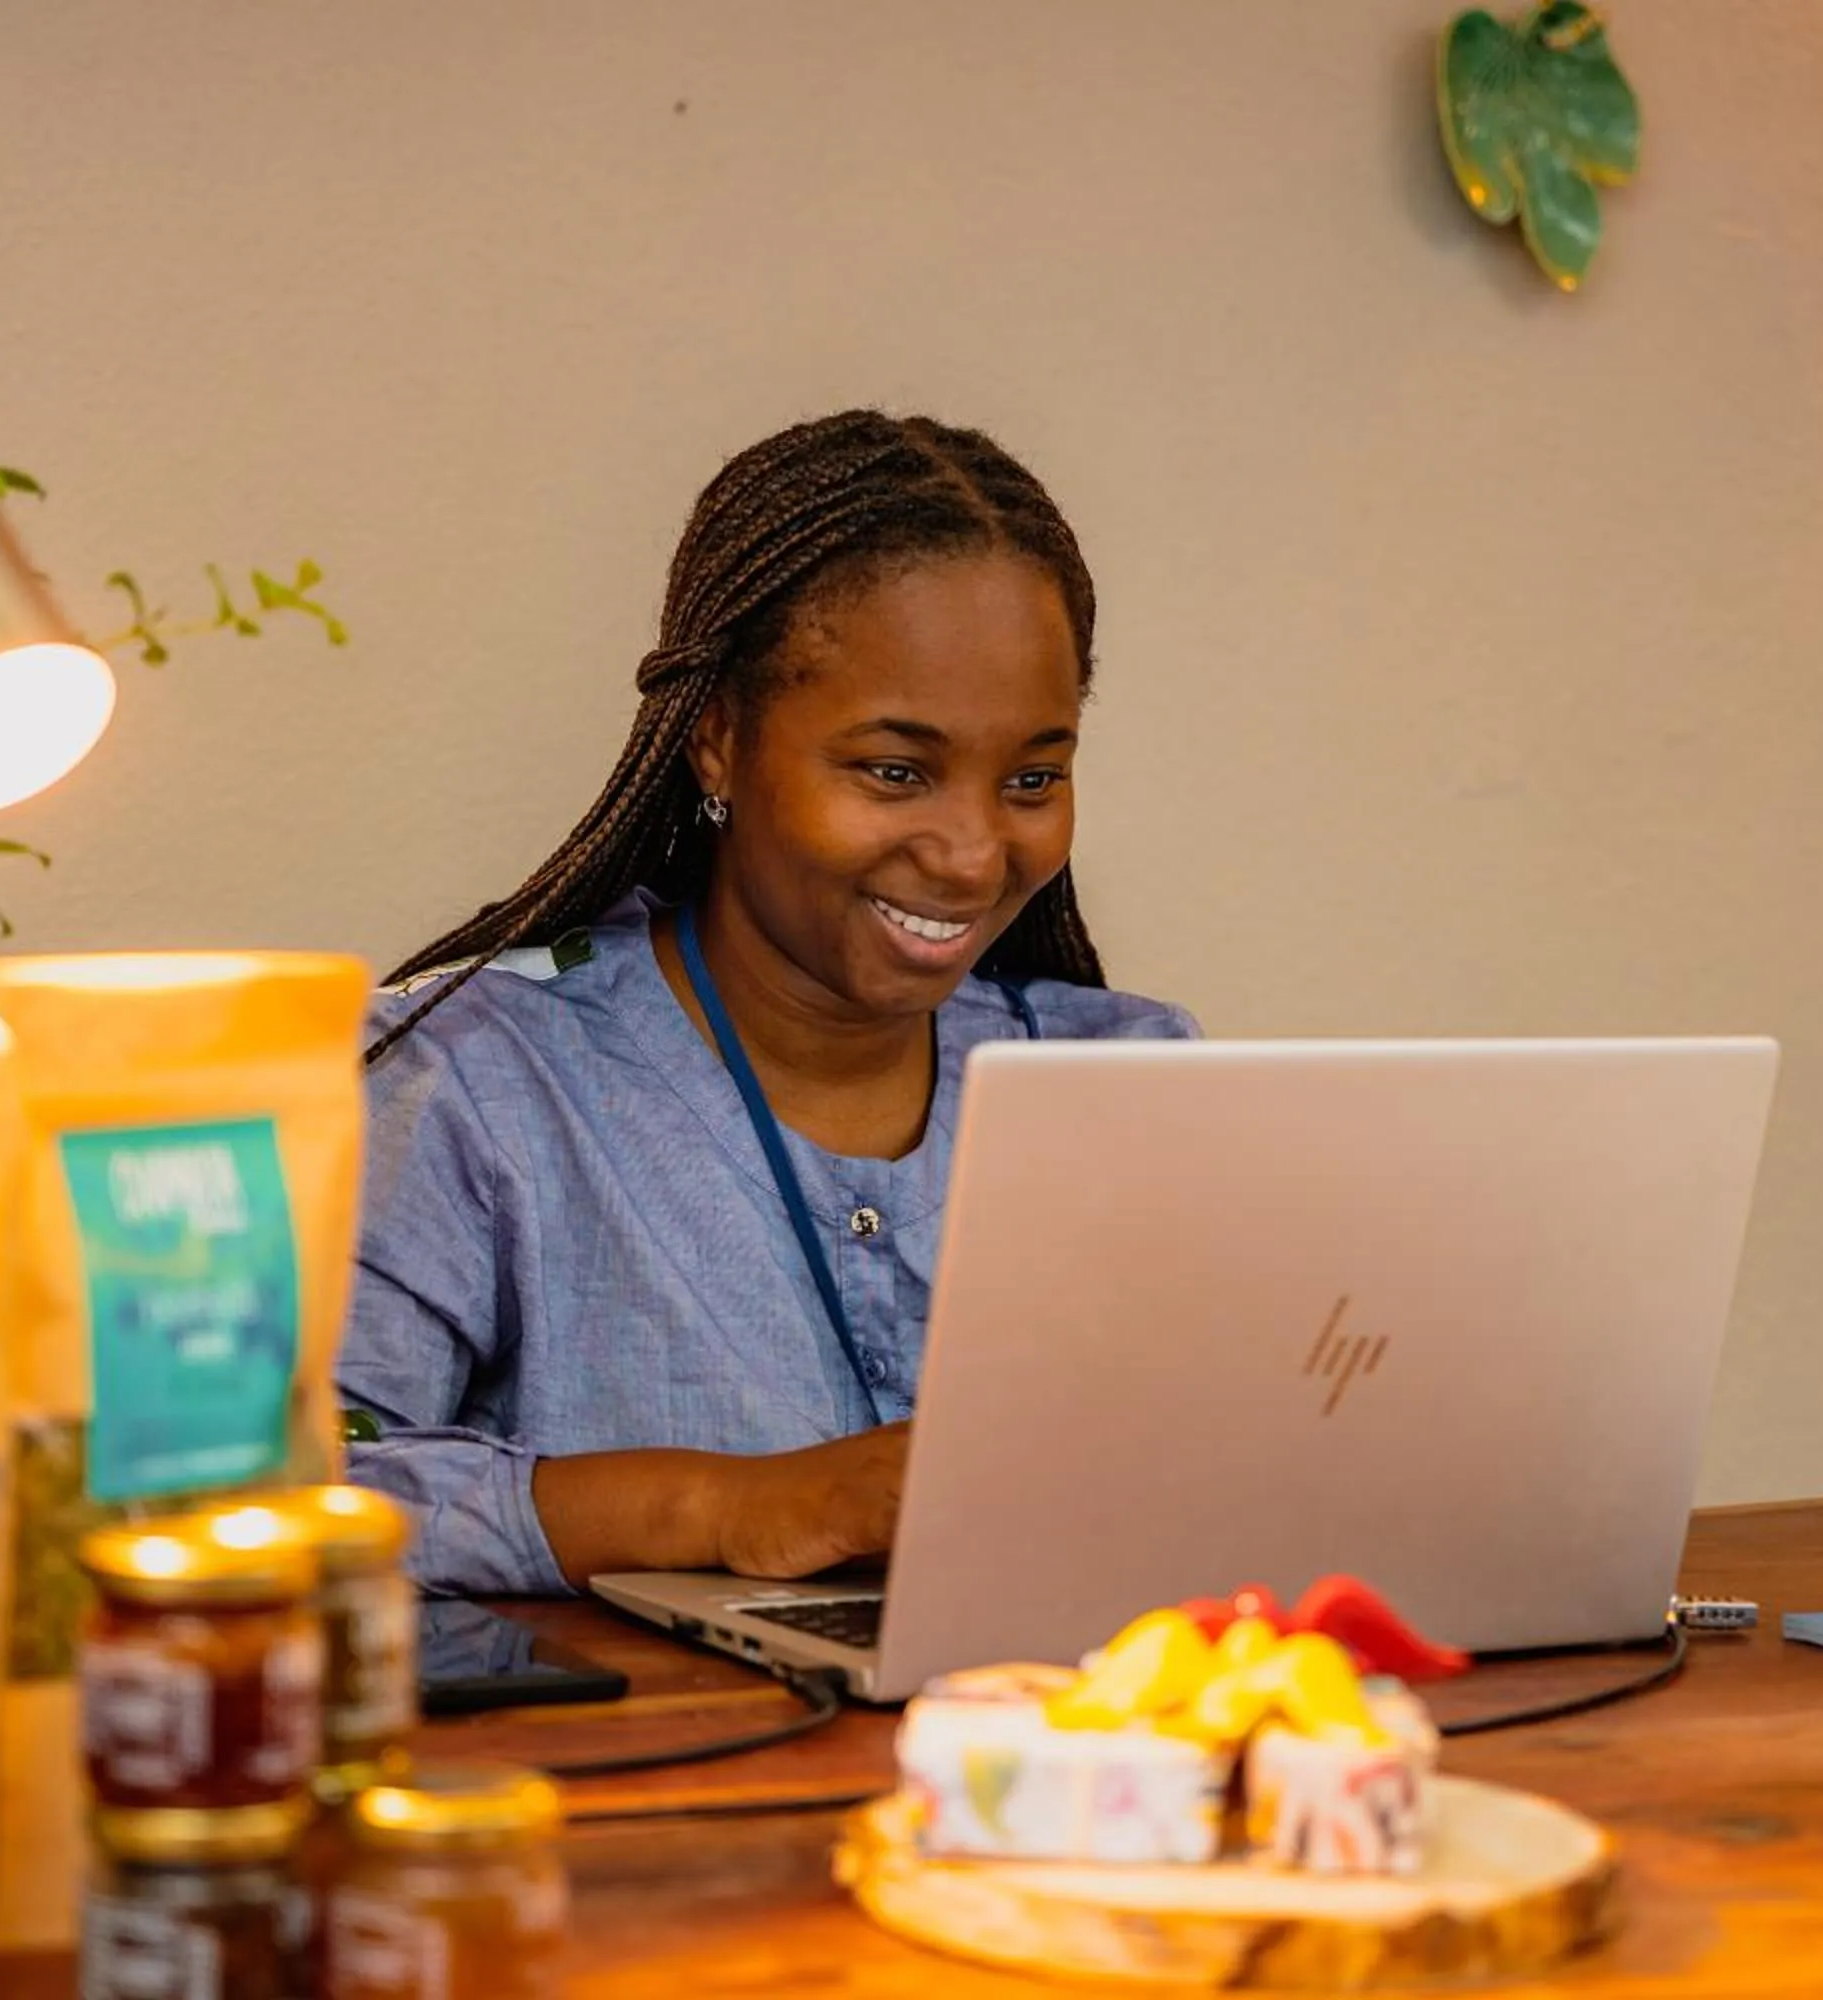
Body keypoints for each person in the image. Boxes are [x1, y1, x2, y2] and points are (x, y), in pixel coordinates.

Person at [341, 411, 1197, 1596]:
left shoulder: (1134, 1083)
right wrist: (724, 1502)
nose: (969, 852)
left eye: (1032, 778)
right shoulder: (462, 1076)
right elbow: (285, 1504)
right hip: (648, 1776)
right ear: (719, 741)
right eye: (895, 770)